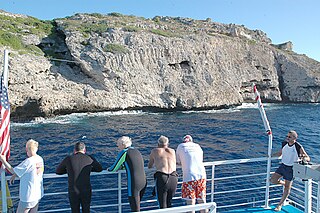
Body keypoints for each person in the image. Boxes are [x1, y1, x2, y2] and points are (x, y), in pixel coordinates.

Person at [56, 142, 103, 213]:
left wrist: (69, 170)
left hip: (73, 190)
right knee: (86, 210)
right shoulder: (89, 158)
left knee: (74, 210)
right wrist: (89, 169)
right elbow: (99, 169)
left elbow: (58, 171)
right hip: (86, 190)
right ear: (84, 150)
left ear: (74, 150)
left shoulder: (68, 158)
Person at [0, 139, 44, 213]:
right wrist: (16, 174)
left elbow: (12, 170)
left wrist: (3, 160)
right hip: (37, 195)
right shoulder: (39, 159)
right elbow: (30, 171)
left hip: (28, 197)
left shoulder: (29, 161)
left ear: (28, 149)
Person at [271, 130, 310, 212]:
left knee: (286, 188)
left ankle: (280, 205)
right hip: (283, 166)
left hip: (291, 168)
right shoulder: (284, 144)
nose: (287, 138)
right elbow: (280, 153)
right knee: (273, 180)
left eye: (289, 137)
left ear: (295, 138)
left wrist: (304, 158)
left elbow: (307, 157)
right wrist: (270, 155)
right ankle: (284, 183)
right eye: (287, 136)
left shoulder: (297, 146)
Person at [107, 136, 147, 212]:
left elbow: (114, 168)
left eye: (118, 144)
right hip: (143, 181)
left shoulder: (124, 152)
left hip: (134, 183)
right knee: (138, 206)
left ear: (123, 144)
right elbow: (132, 164)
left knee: (135, 209)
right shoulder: (136, 150)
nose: (117, 146)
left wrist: (108, 169)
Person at [176, 135, 207, 213]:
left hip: (189, 177)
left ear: (184, 141)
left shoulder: (181, 146)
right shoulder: (197, 146)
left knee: (190, 203)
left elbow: (177, 161)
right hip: (201, 176)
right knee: (202, 201)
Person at [148, 135, 178, 209]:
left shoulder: (155, 151)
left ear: (158, 144)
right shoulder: (172, 151)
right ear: (167, 144)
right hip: (173, 177)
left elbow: (150, 165)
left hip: (162, 177)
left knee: (162, 205)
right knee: (169, 203)